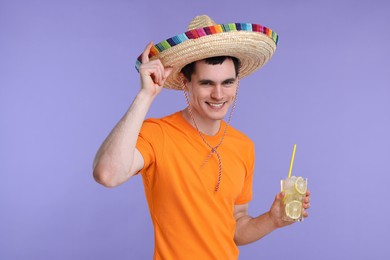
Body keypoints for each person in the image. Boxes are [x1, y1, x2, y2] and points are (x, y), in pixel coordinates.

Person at [93, 15, 311, 259]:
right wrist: (146, 96)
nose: (218, 94)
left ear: (237, 83)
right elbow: (107, 174)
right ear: (186, 84)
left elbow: (236, 227)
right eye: (207, 83)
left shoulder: (243, 146)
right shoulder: (158, 133)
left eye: (227, 82)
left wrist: (273, 220)